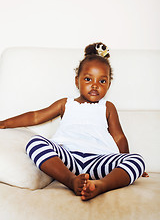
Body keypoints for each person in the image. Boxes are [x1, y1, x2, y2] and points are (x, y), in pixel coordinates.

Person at [0, 42, 149, 201]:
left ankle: (101, 185)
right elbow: (36, 116)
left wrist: (125, 166)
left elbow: (118, 137)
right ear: (77, 81)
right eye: (88, 79)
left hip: (98, 161)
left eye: (102, 81)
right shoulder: (66, 104)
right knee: (35, 142)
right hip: (68, 159)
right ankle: (71, 180)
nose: (95, 85)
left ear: (109, 85)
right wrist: (4, 123)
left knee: (137, 160)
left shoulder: (107, 107)